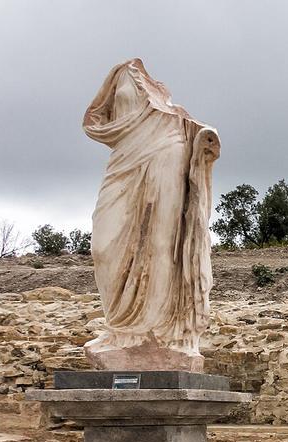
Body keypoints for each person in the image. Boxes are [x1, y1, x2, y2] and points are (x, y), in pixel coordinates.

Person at [82, 58, 219, 370]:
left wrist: (204, 140)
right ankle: (121, 329)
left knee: (162, 245)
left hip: (167, 154)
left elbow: (197, 129)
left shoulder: (173, 111)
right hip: (125, 160)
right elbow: (95, 118)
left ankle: (156, 333)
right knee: (103, 246)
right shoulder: (120, 76)